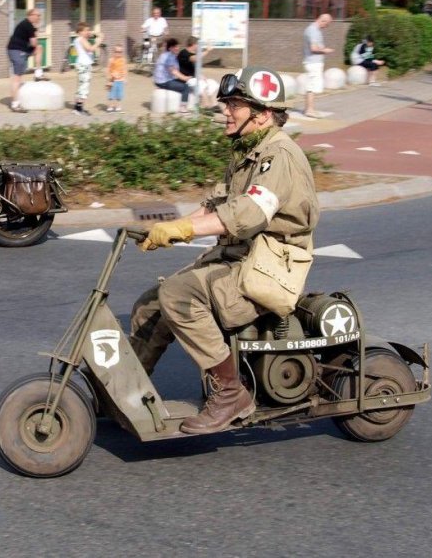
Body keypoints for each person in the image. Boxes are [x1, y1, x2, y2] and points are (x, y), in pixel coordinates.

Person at [130, 65, 320, 434]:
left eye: (235, 104)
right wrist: (168, 231)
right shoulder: (248, 152)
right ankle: (128, 392)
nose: (226, 111)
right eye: (227, 103)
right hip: (240, 258)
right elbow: (216, 206)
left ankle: (231, 394)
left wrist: (182, 228)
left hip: (268, 268)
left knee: (179, 296)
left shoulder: (279, 156)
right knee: (150, 305)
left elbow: (248, 214)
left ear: (263, 114)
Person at [7, 8, 45, 113]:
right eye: (37, 15)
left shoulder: (28, 25)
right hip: (17, 51)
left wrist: (35, 31)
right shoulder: (28, 25)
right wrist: (36, 32)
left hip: (21, 49)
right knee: (17, 78)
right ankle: (15, 105)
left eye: (39, 15)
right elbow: (33, 43)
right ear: (31, 15)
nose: (39, 17)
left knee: (39, 48)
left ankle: (38, 73)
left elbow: (34, 44)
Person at [302, 13, 334, 118]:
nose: (326, 27)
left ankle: (308, 109)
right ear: (323, 21)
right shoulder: (314, 31)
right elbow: (314, 48)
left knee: (311, 86)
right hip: (313, 62)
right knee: (312, 86)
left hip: (312, 62)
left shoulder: (312, 29)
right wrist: (325, 50)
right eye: (327, 24)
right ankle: (309, 110)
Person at [72, 22, 104, 116]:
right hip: (84, 64)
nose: (88, 32)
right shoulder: (81, 39)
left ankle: (77, 107)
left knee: (81, 86)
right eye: (86, 30)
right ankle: (79, 109)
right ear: (80, 32)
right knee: (84, 87)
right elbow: (90, 49)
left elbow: (101, 34)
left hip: (82, 64)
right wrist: (98, 42)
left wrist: (93, 33)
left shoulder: (78, 39)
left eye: (88, 30)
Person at [153, 38, 191, 113]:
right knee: (185, 87)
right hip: (164, 81)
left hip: (161, 80)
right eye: (175, 47)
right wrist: (185, 78)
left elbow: (174, 71)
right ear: (170, 48)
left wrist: (184, 77)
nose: (177, 48)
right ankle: (183, 108)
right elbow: (173, 71)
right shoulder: (169, 56)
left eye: (178, 46)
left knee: (183, 82)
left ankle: (161, 86)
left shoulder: (167, 55)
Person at [177, 35, 214, 107]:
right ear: (194, 44)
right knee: (201, 86)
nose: (199, 46)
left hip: (193, 78)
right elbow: (195, 59)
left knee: (212, 84)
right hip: (185, 79)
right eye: (198, 44)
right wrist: (207, 51)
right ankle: (205, 107)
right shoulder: (183, 53)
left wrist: (200, 75)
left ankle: (214, 105)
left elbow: (193, 69)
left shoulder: (193, 54)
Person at [106, 44, 127, 113]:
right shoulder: (111, 60)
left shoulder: (123, 60)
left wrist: (125, 78)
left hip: (120, 80)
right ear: (113, 52)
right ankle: (110, 106)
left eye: (120, 52)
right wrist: (108, 78)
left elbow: (124, 69)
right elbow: (108, 69)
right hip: (112, 80)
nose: (118, 53)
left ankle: (118, 106)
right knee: (111, 94)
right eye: (117, 52)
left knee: (119, 94)